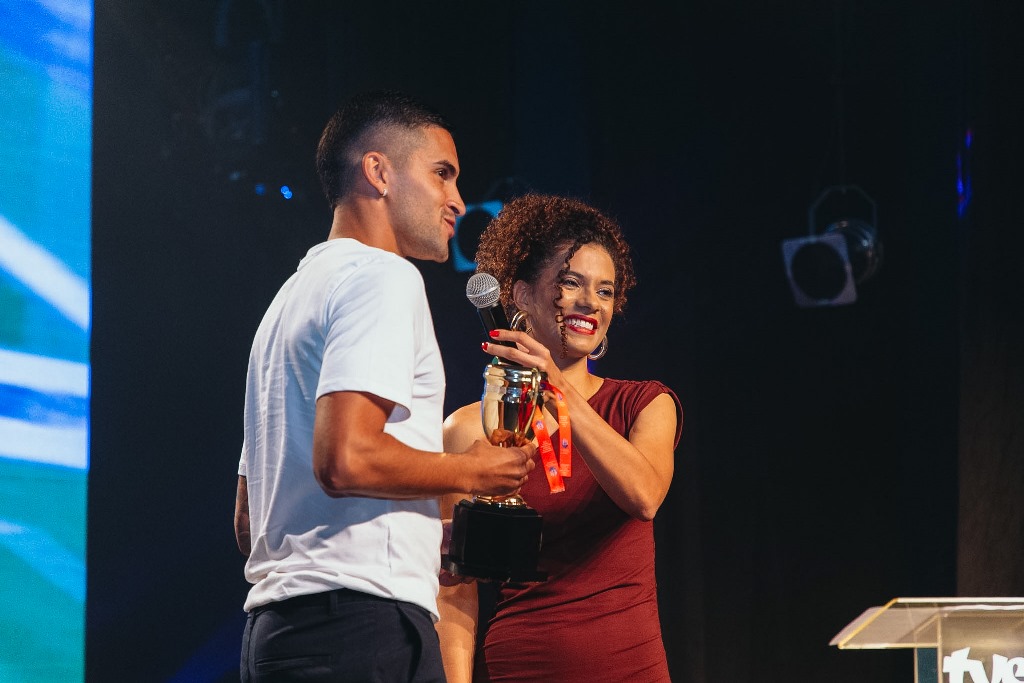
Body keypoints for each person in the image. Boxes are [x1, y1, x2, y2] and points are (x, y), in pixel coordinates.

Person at [234, 91, 536, 683]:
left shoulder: (285, 303)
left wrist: (418, 534)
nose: (458, 200)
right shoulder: (382, 276)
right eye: (442, 173)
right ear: (378, 172)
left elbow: (250, 520)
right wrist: (473, 471)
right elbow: (345, 459)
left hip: (278, 637)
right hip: (360, 630)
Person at [436, 194, 683, 682]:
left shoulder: (645, 404)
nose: (591, 302)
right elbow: (455, 588)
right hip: (519, 664)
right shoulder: (467, 428)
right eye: (571, 283)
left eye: (606, 291)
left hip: (630, 667)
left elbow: (644, 496)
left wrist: (555, 387)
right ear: (522, 295)